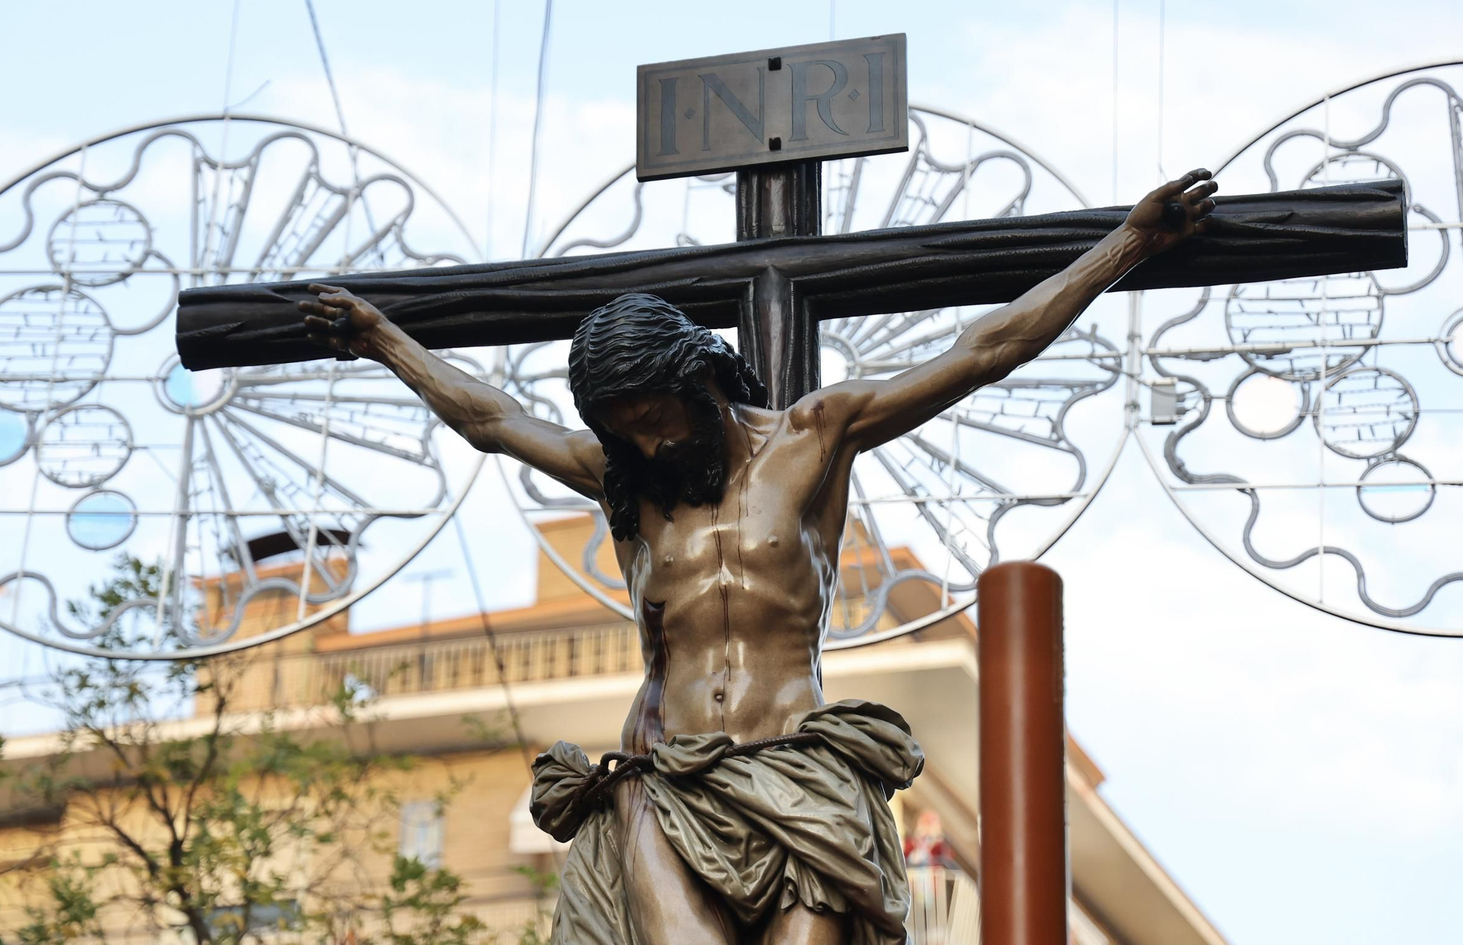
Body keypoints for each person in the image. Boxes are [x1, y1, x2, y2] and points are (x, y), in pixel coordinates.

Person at [299, 170, 1218, 945]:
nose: (651, 448)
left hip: (800, 771)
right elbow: (491, 420)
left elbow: (986, 350)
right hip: (668, 782)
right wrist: (383, 339)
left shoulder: (816, 438)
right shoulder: (623, 477)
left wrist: (1127, 245)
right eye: (628, 434)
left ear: (701, 377)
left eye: (657, 420)